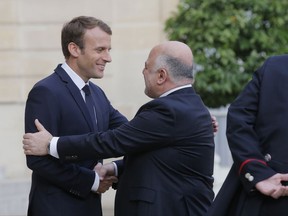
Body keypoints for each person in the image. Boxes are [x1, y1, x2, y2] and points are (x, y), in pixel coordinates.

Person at [23, 40, 216, 216]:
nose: (142, 72)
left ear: (161, 75)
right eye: (100, 49)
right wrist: (113, 167)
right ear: (74, 49)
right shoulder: (190, 108)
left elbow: (114, 140)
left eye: (146, 67)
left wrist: (51, 144)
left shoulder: (170, 110)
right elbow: (150, 151)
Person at [24, 16, 126, 216]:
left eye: (108, 50)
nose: (108, 57)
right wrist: (92, 181)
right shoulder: (46, 91)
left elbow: (130, 133)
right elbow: (37, 161)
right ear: (74, 49)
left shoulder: (97, 94)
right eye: (100, 50)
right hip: (55, 209)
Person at [206, 55, 288, 216]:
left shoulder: (275, 66)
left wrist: (258, 173)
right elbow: (239, 118)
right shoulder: (275, 67)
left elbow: (239, 119)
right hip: (263, 196)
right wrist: (259, 173)